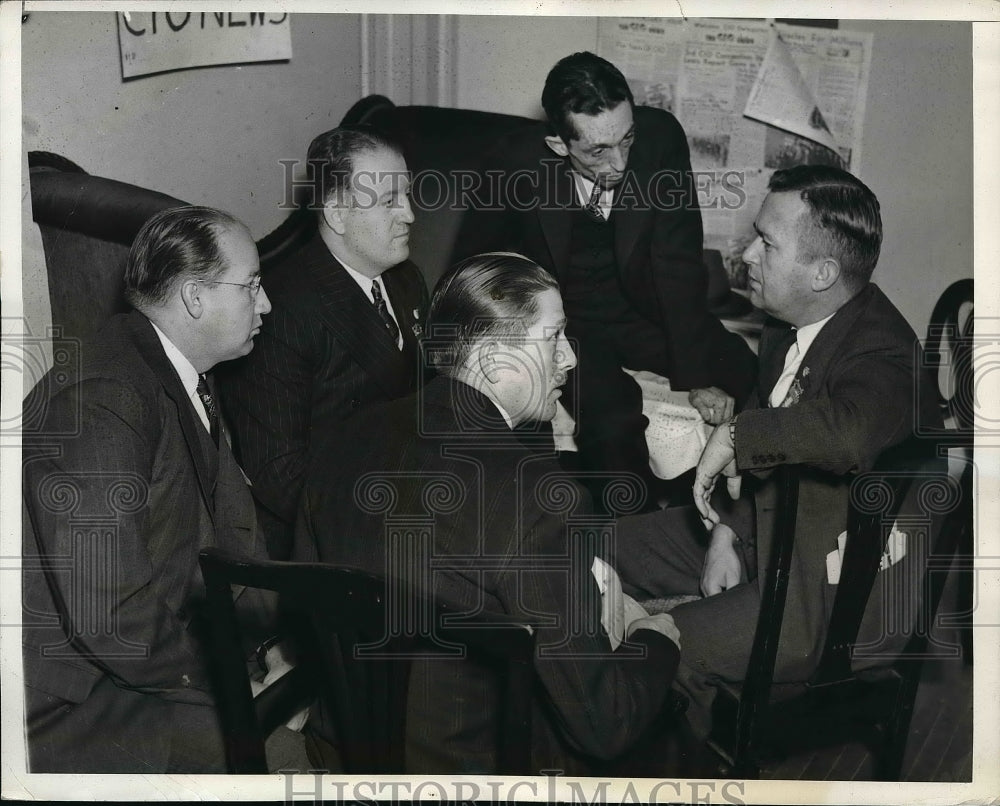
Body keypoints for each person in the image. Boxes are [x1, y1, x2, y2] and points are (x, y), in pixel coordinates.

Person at [294, 253, 681, 775]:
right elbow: (603, 724)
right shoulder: (535, 494)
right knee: (664, 723)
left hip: (344, 749)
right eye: (554, 337)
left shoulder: (344, 437)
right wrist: (656, 636)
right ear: (495, 356)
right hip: (472, 773)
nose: (569, 358)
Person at [613, 165, 943, 738]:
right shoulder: (786, 325)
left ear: (823, 273)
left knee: (651, 655)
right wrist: (725, 534)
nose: (747, 255)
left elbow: (843, 434)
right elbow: (773, 429)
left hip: (832, 599)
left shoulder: (886, 355)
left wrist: (740, 435)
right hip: (767, 532)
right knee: (587, 550)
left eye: (767, 242)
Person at [21, 206, 285, 772]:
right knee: (267, 759)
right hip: (75, 701)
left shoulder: (183, 373)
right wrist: (231, 684)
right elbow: (107, 615)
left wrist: (269, 647)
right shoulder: (101, 400)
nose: (265, 304)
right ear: (194, 298)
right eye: (253, 286)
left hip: (137, 663)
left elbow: (232, 532)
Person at [452, 51, 756, 511]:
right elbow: (476, 270)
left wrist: (696, 376)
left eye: (626, 139)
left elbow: (677, 262)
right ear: (559, 145)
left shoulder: (660, 139)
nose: (619, 163)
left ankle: (748, 524)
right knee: (612, 420)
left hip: (640, 310)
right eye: (597, 151)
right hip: (566, 326)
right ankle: (631, 542)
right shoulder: (511, 162)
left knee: (752, 370)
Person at [220, 125, 429, 558]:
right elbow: (278, 475)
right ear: (336, 214)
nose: (409, 214)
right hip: (335, 538)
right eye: (389, 201)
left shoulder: (407, 279)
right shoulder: (282, 311)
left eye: (406, 196)